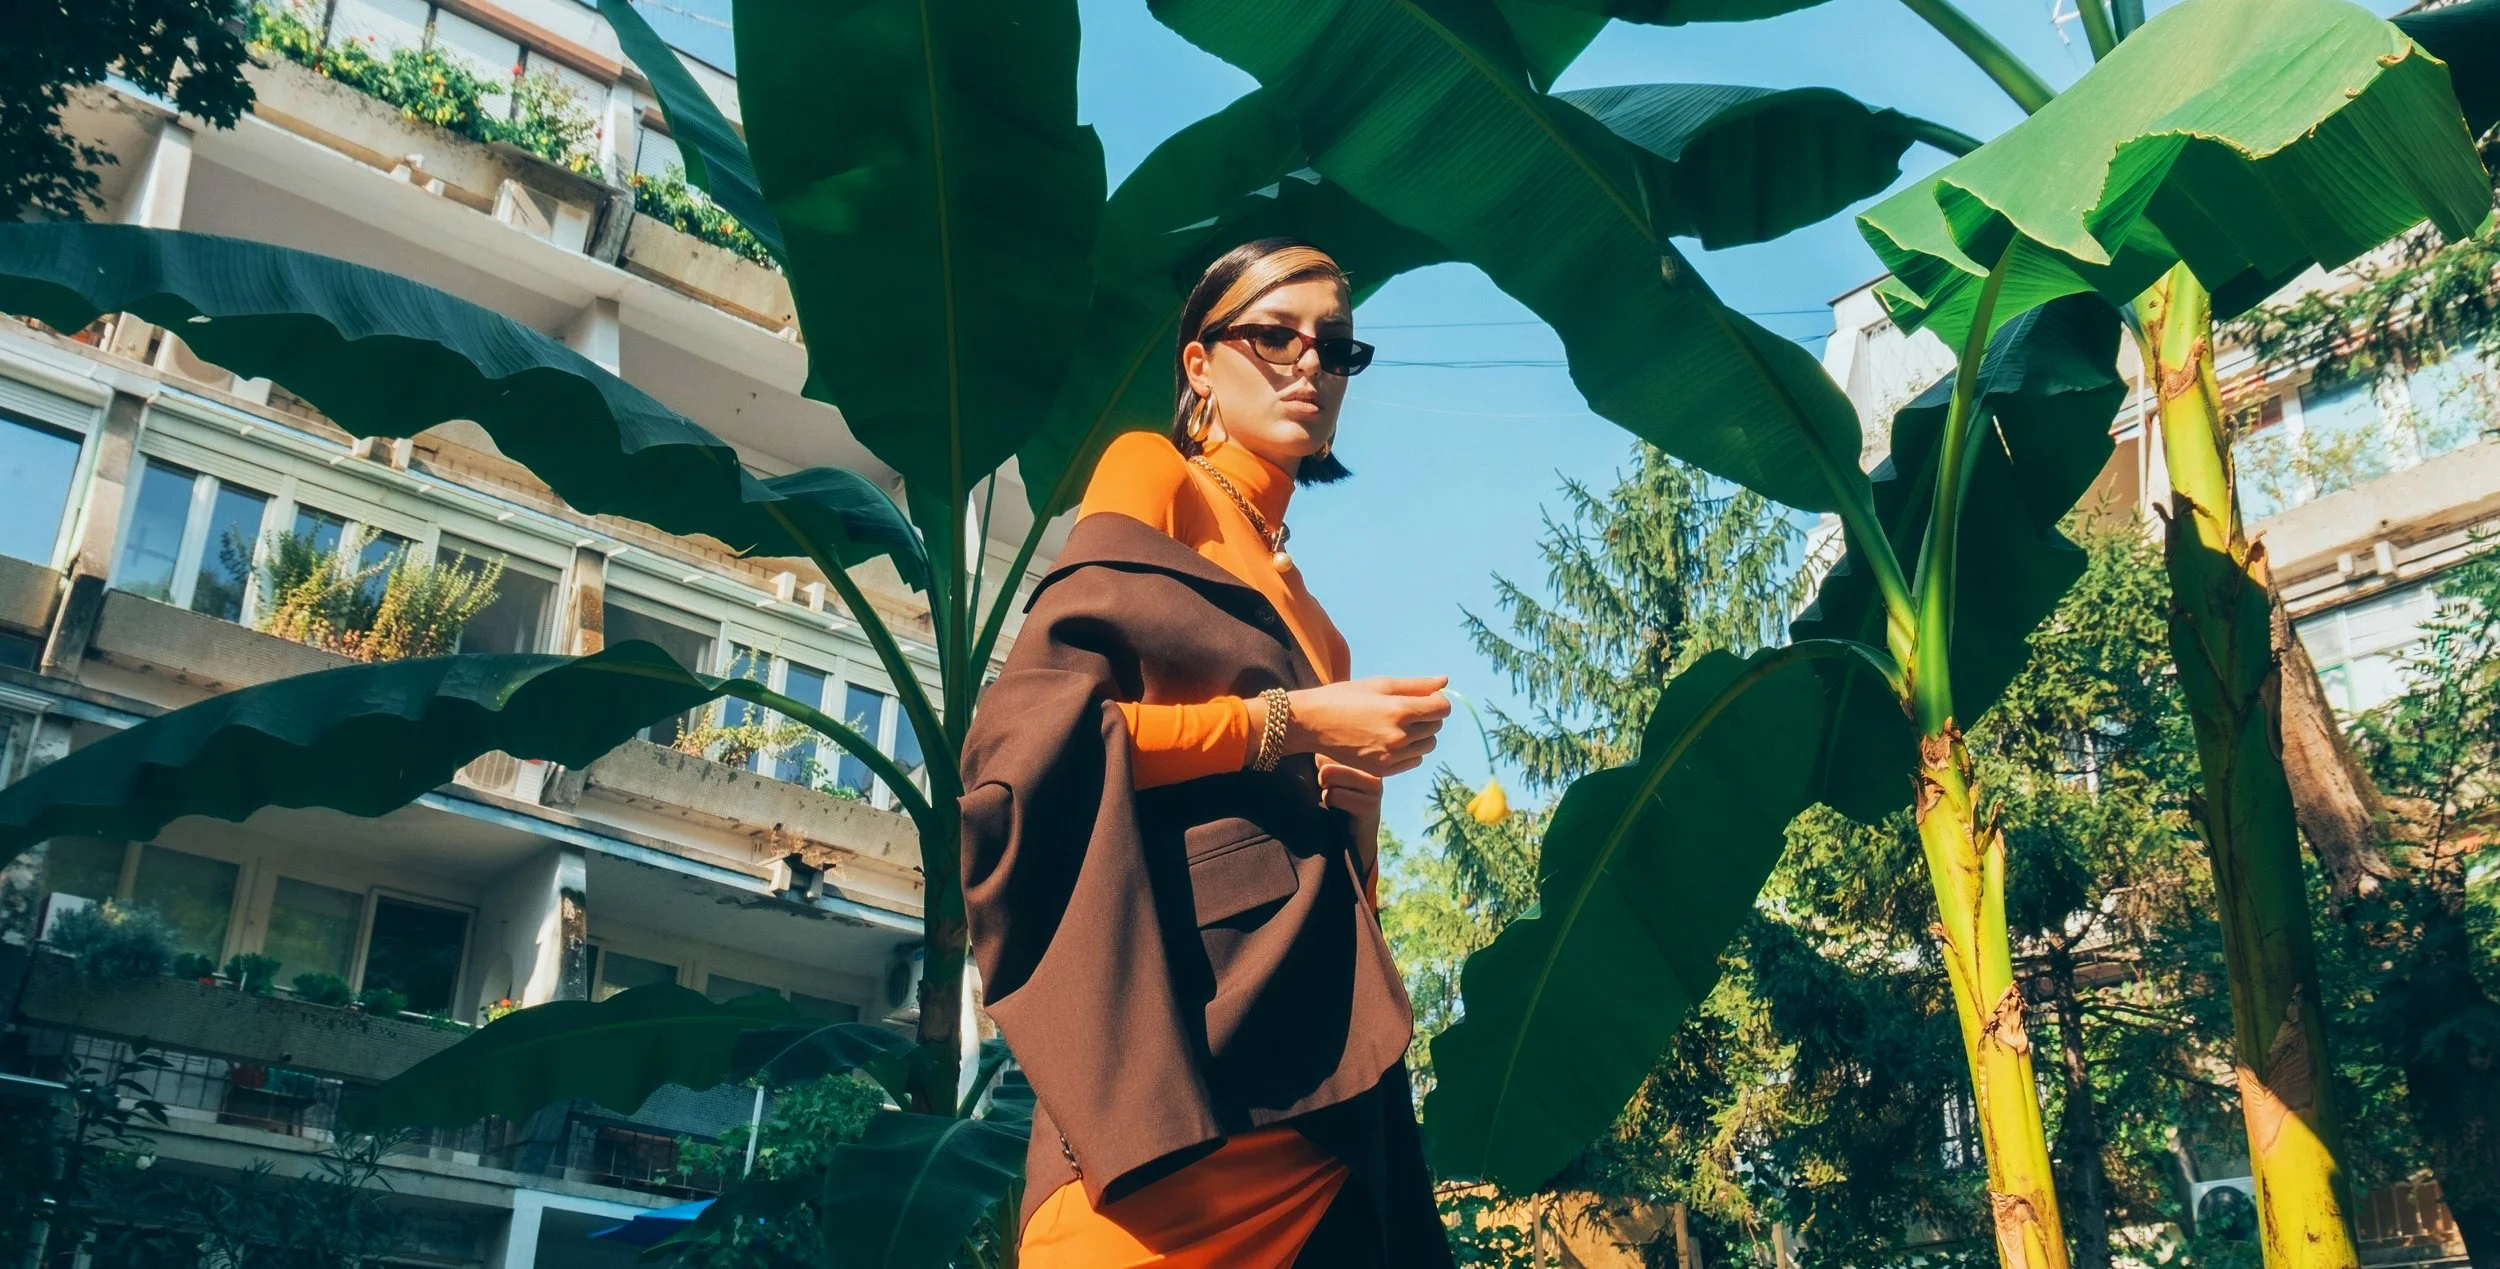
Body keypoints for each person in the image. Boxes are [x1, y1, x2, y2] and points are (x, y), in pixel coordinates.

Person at [960, 237, 1455, 1266]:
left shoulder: (1323, 630)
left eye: (1336, 347)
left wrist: (1357, 801)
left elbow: (1339, 877)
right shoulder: (1155, 476)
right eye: (1273, 335)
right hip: (1178, 1042)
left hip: (1321, 1065)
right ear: (1198, 363)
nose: (1309, 364)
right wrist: (1298, 723)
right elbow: (1040, 740)